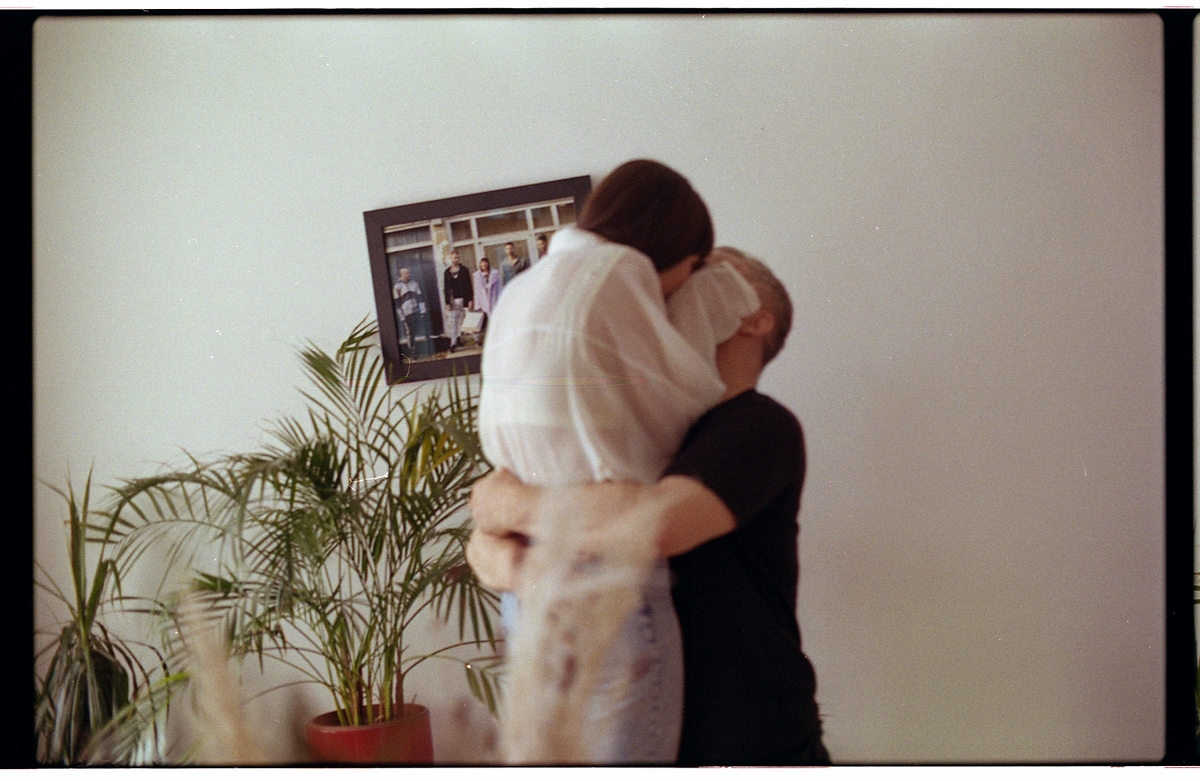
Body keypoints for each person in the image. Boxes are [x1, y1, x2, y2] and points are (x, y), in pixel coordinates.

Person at [469, 248, 831, 766]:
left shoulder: (759, 425)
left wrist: (505, 501)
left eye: (710, 275)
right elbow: (484, 546)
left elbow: (654, 525)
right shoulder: (639, 435)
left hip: (750, 741)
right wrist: (518, 563)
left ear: (754, 319)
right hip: (625, 733)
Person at [477, 160, 758, 765]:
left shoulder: (525, 286)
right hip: (608, 587)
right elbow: (685, 402)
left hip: (527, 583)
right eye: (689, 269)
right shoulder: (618, 271)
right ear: (675, 249)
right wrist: (716, 289)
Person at [392, 266, 433, 360]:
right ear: (401, 274)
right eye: (406, 273)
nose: (408, 275)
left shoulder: (414, 284)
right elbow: (397, 303)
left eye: (409, 273)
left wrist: (423, 310)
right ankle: (412, 352)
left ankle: (427, 348)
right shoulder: (397, 287)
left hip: (416, 310)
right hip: (406, 313)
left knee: (421, 329)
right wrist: (401, 316)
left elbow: (420, 298)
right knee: (410, 332)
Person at [443, 249, 474, 351]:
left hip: (464, 299)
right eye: (454, 258)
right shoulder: (447, 272)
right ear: (450, 258)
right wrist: (447, 302)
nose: (456, 259)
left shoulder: (464, 270)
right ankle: (453, 342)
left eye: (457, 257)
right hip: (453, 300)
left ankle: (475, 339)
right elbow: (446, 288)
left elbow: (469, 285)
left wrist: (470, 299)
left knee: (468, 319)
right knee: (454, 321)